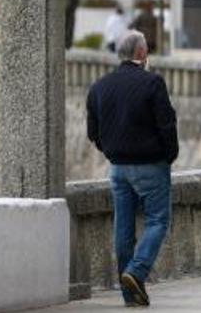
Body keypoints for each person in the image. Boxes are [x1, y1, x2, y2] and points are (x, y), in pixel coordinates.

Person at [85, 31, 177, 308]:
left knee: (123, 229)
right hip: (150, 164)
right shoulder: (153, 83)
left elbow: (93, 132)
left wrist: (111, 150)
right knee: (158, 221)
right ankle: (135, 272)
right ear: (141, 53)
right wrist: (169, 155)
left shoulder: (99, 86)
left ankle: (131, 294)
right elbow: (166, 124)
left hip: (118, 168)